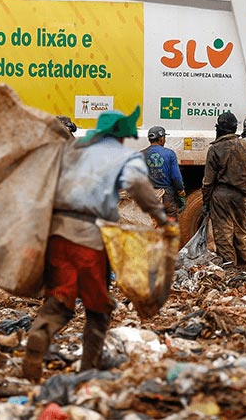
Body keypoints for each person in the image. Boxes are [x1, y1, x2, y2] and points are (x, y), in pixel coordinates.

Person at [23, 107, 171, 378]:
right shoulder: (125, 156)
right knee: (97, 307)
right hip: (90, 238)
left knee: (61, 297)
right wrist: (162, 217)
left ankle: (40, 335)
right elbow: (139, 187)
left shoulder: (72, 152)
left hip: (57, 235)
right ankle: (88, 370)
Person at [202, 112, 246, 267]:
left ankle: (230, 267)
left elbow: (208, 181)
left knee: (223, 233)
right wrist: (245, 188)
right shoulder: (245, 145)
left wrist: (206, 202)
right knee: (242, 232)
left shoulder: (215, 148)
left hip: (221, 195)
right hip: (241, 194)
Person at [141, 126, 185, 219]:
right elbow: (176, 177)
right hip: (166, 196)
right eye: (164, 137)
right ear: (161, 138)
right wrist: (181, 193)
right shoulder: (169, 154)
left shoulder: (141, 154)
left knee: (149, 222)